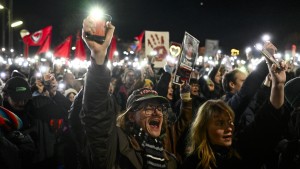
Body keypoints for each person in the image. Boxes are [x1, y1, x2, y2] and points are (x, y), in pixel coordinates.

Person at [80, 16, 177, 168]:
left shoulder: (171, 161)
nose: (157, 113)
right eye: (149, 107)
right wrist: (99, 56)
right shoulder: (115, 147)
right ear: (131, 116)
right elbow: (97, 116)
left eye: (159, 108)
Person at [181, 60, 289, 169]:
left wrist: (278, 85)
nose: (229, 128)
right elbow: (245, 94)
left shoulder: (239, 150)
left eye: (230, 122)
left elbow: (265, 121)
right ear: (204, 127)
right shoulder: (193, 163)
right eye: (220, 123)